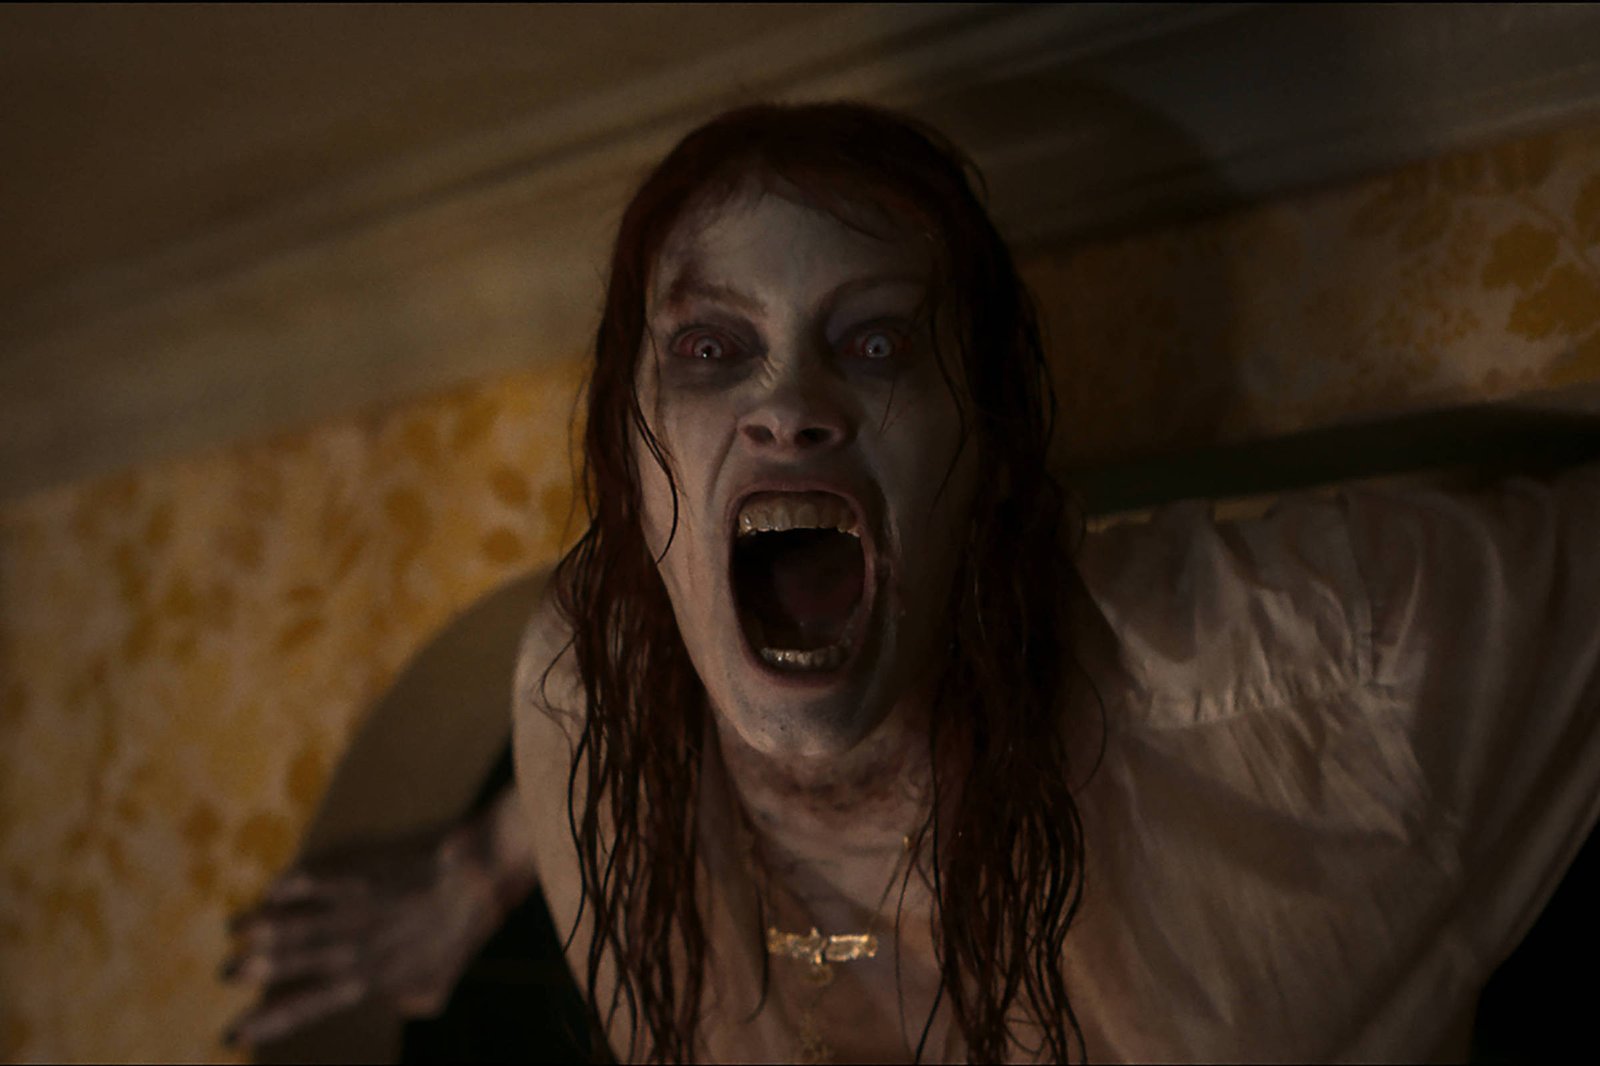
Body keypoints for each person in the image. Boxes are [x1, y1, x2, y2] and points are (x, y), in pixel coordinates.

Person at [223, 102, 1600, 1063]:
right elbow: (609, 669)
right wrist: (477, 869)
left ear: (987, 459)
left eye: (877, 345)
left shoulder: (1322, 675)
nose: (789, 406)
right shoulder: (582, 681)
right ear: (633, 479)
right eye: (711, 350)